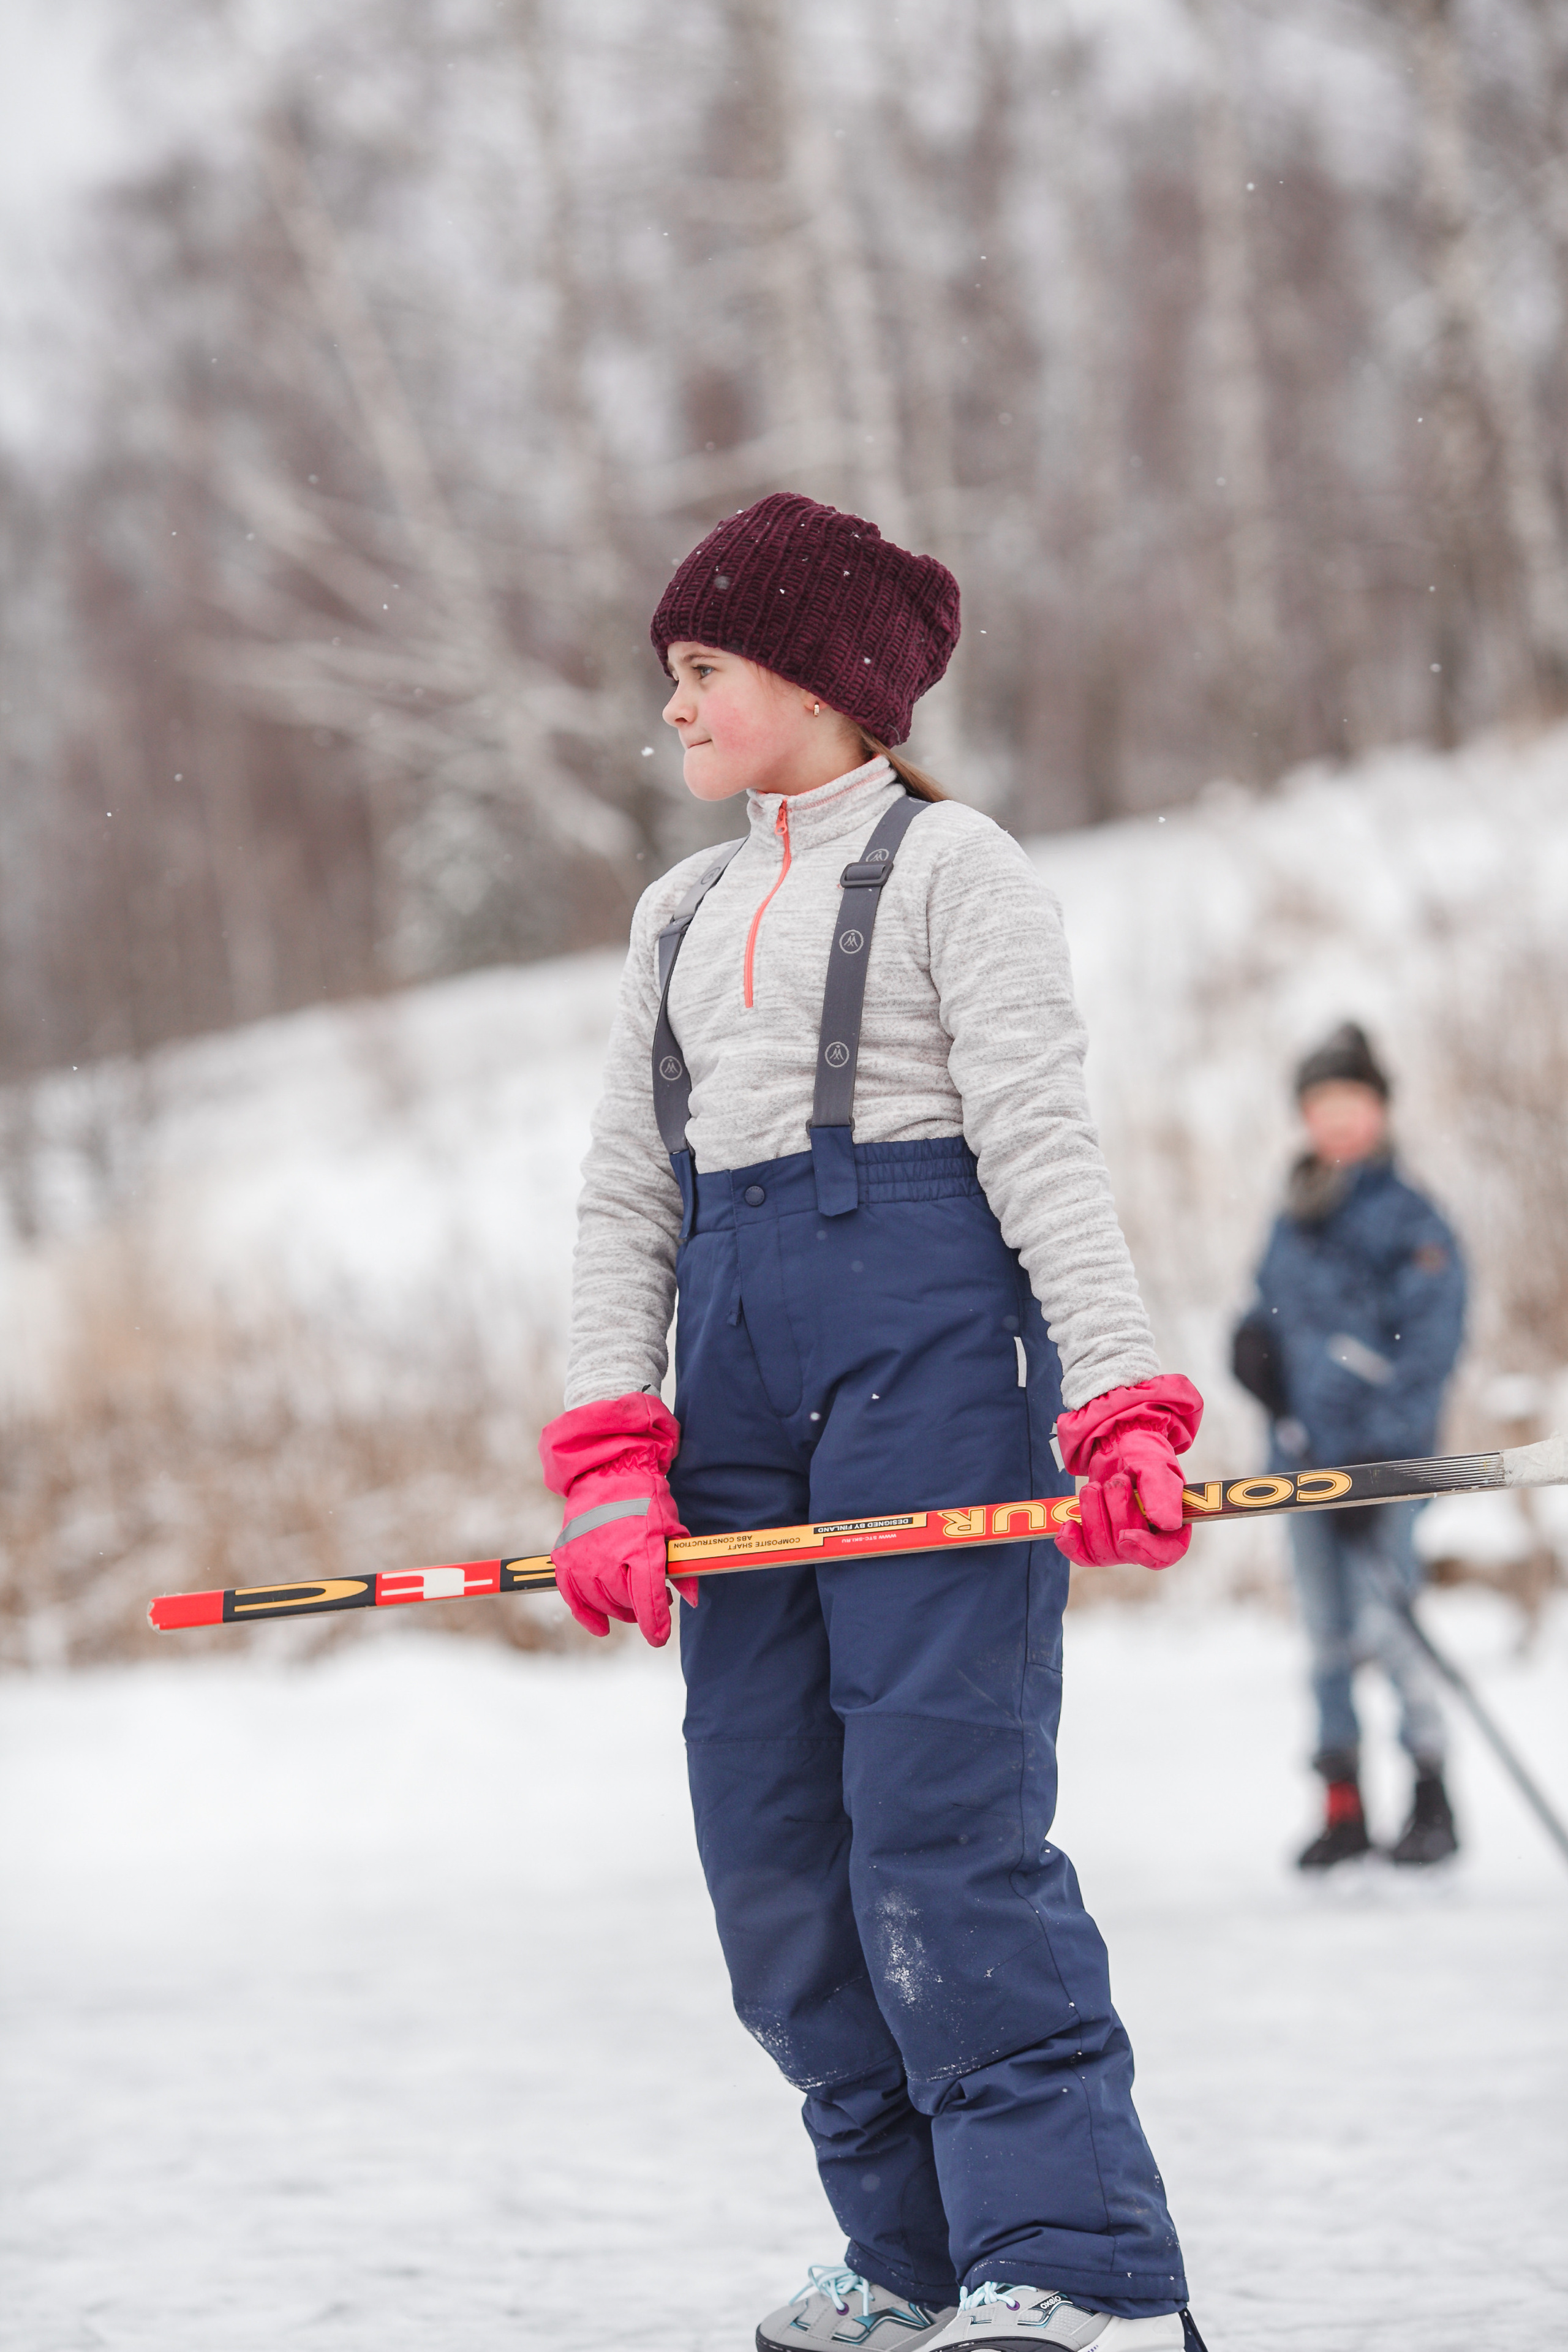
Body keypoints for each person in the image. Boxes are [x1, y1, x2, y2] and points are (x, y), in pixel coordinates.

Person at [539, 492, 1209, 2352]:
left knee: (939, 1834)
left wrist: (1117, 1399)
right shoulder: (677, 914)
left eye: (701, 670)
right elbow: (626, 1205)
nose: (669, 707)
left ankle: (1067, 2264)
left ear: (826, 682)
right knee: (771, 1848)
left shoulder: (955, 874)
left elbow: (1044, 1148)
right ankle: (911, 2252)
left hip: (927, 1376)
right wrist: (612, 1449)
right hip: (734, 1387)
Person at [1232, 1022, 1467, 1871]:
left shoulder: (1412, 1217)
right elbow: (1271, 1313)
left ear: (1379, 1108)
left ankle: (1433, 1795)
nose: (1335, 1118)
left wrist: (1374, 1465)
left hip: (1384, 1465)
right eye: (1320, 1104)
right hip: (1299, 1465)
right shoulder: (1293, 1213)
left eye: (1350, 1101)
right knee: (1327, 1635)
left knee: (1391, 1624)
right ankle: (1343, 1805)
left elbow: (1428, 1349)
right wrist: (1249, 1347)